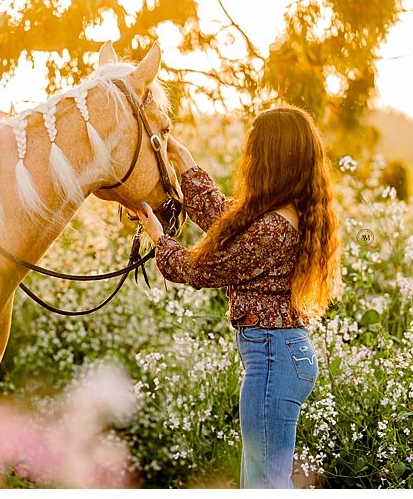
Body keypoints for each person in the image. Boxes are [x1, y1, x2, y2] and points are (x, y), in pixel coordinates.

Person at [138, 107, 341, 488]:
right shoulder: (283, 214)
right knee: (261, 482)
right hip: (279, 354)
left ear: (270, 158)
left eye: (254, 151)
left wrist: (160, 240)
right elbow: (228, 222)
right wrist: (186, 163)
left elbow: (200, 269)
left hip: (272, 358)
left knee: (264, 485)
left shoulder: (275, 228)